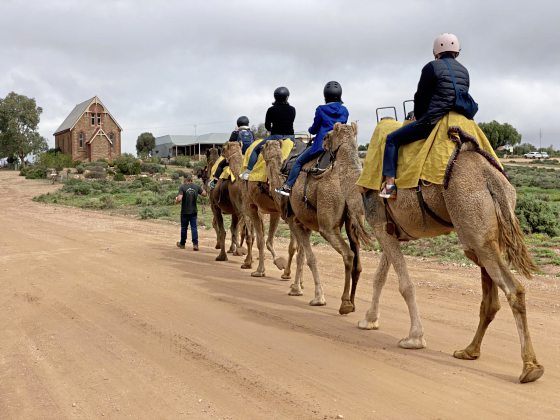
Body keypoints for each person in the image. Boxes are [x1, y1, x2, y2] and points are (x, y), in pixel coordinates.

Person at [379, 33, 474, 198]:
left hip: (433, 121)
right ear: (457, 52)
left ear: (436, 52)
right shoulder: (464, 71)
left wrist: (419, 116)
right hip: (460, 122)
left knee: (392, 139)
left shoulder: (431, 67)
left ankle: (389, 185)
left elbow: (421, 97)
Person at [275, 81, 348, 196]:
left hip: (322, 146)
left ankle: (287, 186)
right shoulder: (344, 110)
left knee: (298, 162)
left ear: (325, 96)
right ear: (340, 95)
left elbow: (314, 129)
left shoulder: (321, 109)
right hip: (338, 146)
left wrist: (310, 130)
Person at [240, 87, 296, 180]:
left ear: (275, 97)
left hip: (275, 136)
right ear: (287, 97)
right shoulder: (292, 109)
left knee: (255, 150)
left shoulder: (271, 110)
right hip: (290, 137)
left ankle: (248, 171)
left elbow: (267, 125)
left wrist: (272, 130)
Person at [208, 116, 255, 189]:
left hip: (238, 158)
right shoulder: (251, 133)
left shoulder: (235, 133)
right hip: (249, 158)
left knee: (220, 164)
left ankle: (214, 182)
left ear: (238, 124)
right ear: (247, 123)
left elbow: (230, 145)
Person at [175, 173, 207, 251]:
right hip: (193, 211)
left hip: (185, 211)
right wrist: (203, 188)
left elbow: (179, 199)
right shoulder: (196, 187)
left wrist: (176, 200)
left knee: (184, 228)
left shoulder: (182, 187)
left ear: (185, 179)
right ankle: (195, 245)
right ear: (191, 179)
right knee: (194, 228)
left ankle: (182, 244)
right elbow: (204, 194)